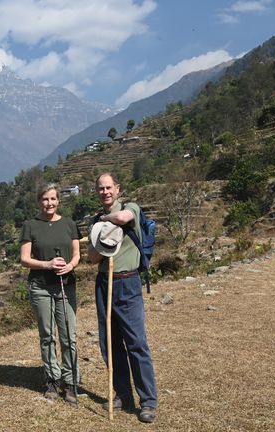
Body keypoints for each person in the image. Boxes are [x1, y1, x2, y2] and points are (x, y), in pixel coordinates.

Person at [87, 173, 158, 423]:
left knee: (136, 343)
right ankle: (123, 395)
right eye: (100, 188)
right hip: (104, 283)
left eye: (109, 187)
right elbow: (93, 258)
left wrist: (106, 221)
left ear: (117, 189)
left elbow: (122, 218)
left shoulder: (131, 208)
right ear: (96, 192)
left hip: (127, 281)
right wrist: (100, 237)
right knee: (111, 344)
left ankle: (148, 401)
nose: (105, 192)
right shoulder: (95, 221)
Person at [20, 183, 82, 404]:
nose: (49, 203)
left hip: (66, 284)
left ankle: (71, 380)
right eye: (45, 199)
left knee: (68, 336)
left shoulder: (69, 224)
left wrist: (70, 266)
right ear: (39, 201)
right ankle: (52, 380)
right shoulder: (30, 226)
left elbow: (77, 254)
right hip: (41, 287)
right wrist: (47, 265)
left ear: (59, 201)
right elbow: (24, 258)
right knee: (47, 336)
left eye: (53, 199)